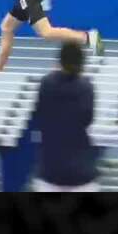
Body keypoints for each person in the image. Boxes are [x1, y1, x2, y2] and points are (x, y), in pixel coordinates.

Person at [32, 42, 98, 192]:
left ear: (60, 61)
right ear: (81, 63)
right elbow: (87, 119)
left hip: (50, 169)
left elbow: (39, 115)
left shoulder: (46, 84)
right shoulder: (86, 87)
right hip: (81, 171)